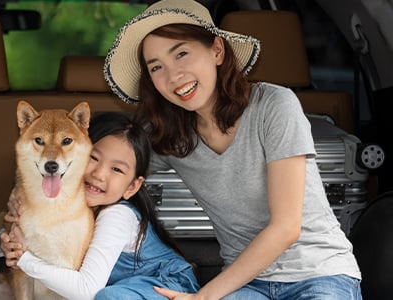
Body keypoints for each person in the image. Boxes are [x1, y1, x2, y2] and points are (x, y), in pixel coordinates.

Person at [102, 0, 362, 299]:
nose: (173, 76)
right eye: (156, 67)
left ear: (217, 50)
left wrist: (205, 296)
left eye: (182, 54)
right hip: (245, 284)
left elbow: (286, 228)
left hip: (319, 274)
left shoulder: (274, 105)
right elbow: (106, 168)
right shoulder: (170, 136)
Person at [0, 112, 199, 299]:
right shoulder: (65, 202)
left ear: (132, 187)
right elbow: (30, 235)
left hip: (167, 287)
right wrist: (7, 243)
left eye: (117, 169)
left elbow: (86, 290)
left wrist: (24, 260)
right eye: (93, 158)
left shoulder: (117, 216)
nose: (99, 174)